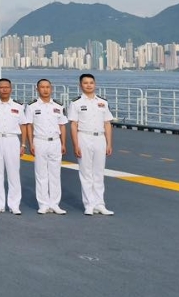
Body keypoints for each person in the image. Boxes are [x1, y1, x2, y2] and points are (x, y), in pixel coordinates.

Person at [68, 73, 115, 216]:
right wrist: (76, 145)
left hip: (100, 138)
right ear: (80, 85)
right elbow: (73, 125)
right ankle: (89, 204)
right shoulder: (76, 103)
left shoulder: (103, 102)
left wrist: (109, 143)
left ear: (95, 84)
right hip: (84, 136)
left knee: (99, 173)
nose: (89, 85)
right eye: (85, 83)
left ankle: (100, 204)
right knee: (86, 173)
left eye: (91, 83)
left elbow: (107, 123)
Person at [24, 78, 67, 215]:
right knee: (41, 174)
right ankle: (43, 204)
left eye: (48, 87)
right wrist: (31, 143)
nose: (45, 89)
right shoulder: (32, 106)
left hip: (55, 141)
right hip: (40, 141)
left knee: (55, 174)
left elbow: (62, 125)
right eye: (42, 87)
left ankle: (55, 204)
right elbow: (29, 125)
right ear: (37, 89)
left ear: (51, 88)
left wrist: (63, 143)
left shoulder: (59, 106)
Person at [0, 78, 25, 214]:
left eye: (7, 87)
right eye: (1, 87)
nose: (4, 89)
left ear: (11, 89)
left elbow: (23, 125)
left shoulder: (18, 106)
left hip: (12, 139)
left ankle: (14, 205)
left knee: (14, 173)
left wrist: (23, 144)